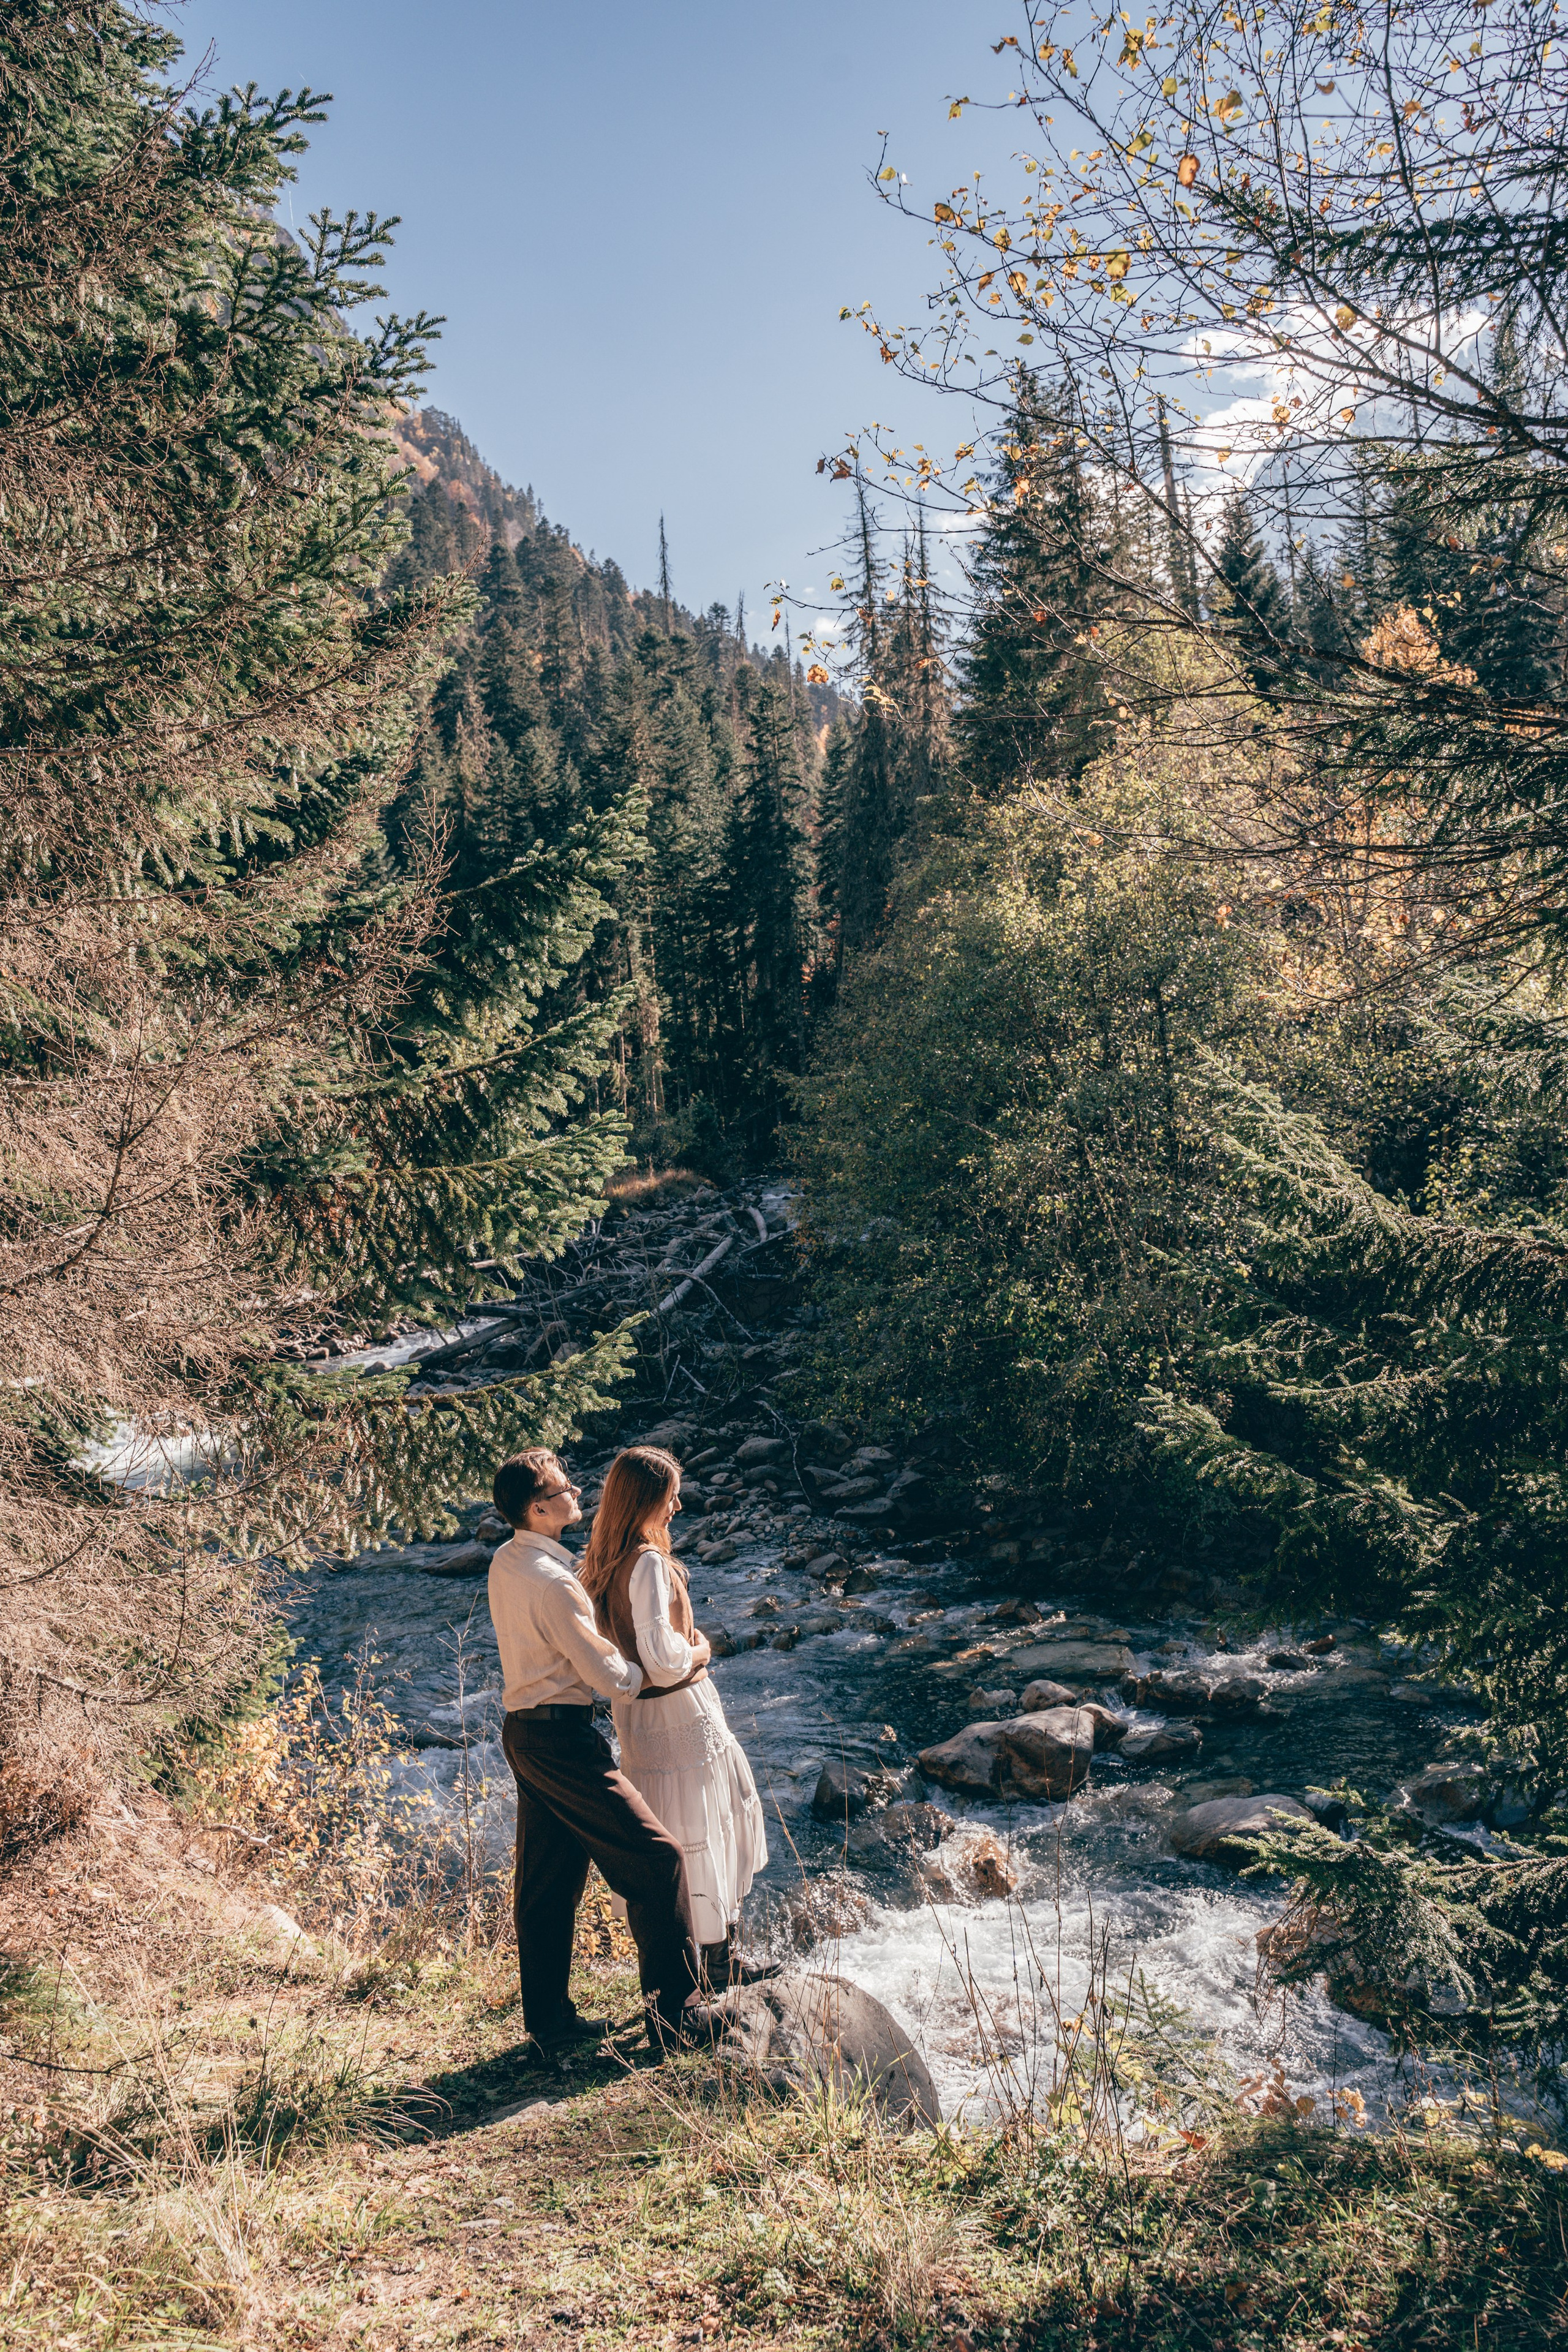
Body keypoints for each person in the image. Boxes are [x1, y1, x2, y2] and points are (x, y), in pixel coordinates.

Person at [487, 1446, 704, 2054]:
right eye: (564, 1490)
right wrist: (647, 1672)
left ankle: (550, 2023)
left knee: (547, 1884)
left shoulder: (508, 1561)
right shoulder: (553, 1581)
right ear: (538, 1508)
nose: (577, 1494)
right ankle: (678, 2014)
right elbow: (607, 1674)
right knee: (657, 1860)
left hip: (525, 1732)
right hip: (560, 1738)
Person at [578, 1446, 769, 1988]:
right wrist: (701, 1652)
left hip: (638, 1718)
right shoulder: (649, 1563)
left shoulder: (603, 1561)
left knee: (674, 1830)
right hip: (678, 1712)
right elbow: (663, 1660)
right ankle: (718, 1962)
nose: (677, 1507)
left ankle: (692, 1965)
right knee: (702, 1822)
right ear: (644, 1499)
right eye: (670, 1497)